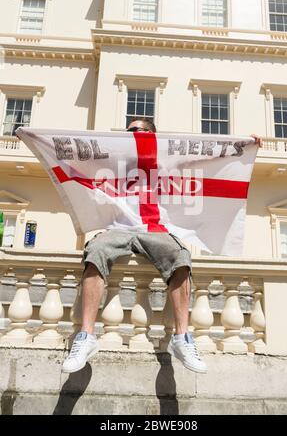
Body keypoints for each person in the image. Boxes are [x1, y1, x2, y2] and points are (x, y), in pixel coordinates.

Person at [62, 118, 261, 374]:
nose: (134, 134)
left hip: (155, 228)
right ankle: (85, 337)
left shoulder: (167, 157)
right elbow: (77, 156)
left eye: (140, 130)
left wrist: (245, 145)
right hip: (118, 227)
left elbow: (202, 160)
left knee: (180, 257)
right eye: (130, 131)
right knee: (96, 251)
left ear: (152, 135)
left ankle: (182, 339)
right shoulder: (114, 158)